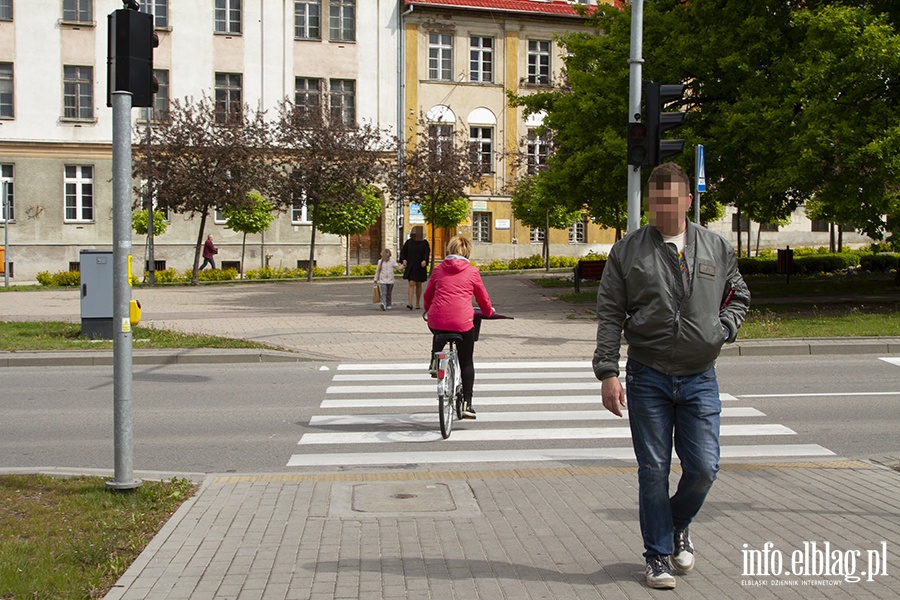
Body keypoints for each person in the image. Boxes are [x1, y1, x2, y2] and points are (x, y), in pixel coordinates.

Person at [592, 162, 750, 590]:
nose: (663, 207)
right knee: (654, 469)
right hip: (649, 373)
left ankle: (678, 524)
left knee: (704, 467)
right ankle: (658, 555)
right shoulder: (627, 251)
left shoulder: (715, 247)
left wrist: (724, 328)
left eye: (670, 198)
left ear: (687, 200)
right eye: (655, 199)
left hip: (700, 374)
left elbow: (738, 293)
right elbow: (609, 314)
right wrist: (608, 371)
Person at [423, 235, 493, 420]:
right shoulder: (472, 272)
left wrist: (427, 309)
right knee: (467, 361)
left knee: (439, 327)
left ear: (449, 250)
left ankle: (434, 360)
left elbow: (427, 295)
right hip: (463, 323)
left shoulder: (438, 270)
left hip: (437, 321)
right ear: (467, 252)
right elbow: (483, 298)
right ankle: (467, 404)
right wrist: (488, 312)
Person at [399, 225, 430, 310]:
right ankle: (409, 303)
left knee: (419, 284)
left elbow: (426, 253)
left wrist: (425, 260)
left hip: (420, 266)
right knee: (411, 283)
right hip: (411, 266)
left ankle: (417, 303)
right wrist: (403, 260)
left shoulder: (425, 243)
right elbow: (403, 252)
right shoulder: (409, 242)